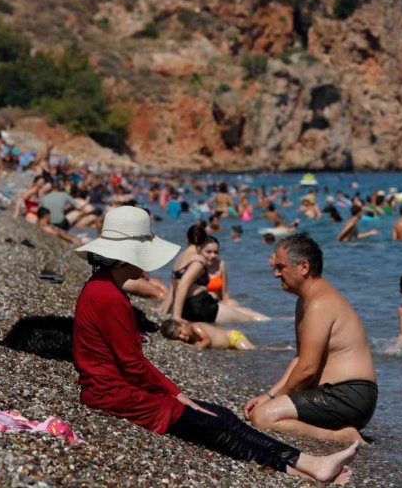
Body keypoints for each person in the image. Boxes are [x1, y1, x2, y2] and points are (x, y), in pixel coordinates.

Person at [72, 207, 358, 484]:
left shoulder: (103, 287)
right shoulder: (108, 296)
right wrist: (177, 395)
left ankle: (303, 464)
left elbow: (128, 364)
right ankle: (301, 467)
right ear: (127, 257)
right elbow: (133, 366)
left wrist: (177, 395)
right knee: (214, 424)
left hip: (116, 389)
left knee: (222, 415)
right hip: (112, 395)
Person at [244, 234, 377, 444]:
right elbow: (300, 359)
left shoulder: (320, 303)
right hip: (338, 395)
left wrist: (277, 401)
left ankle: (340, 436)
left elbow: (307, 369)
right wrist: (270, 396)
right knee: (265, 410)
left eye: (281, 267)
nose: (276, 274)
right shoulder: (305, 301)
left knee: (262, 417)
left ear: (304, 267)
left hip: (348, 396)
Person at [166, 228, 269, 323]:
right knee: (249, 319)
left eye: (216, 252)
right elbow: (181, 286)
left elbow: (174, 286)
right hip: (202, 306)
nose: (212, 255)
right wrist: (176, 316)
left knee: (247, 311)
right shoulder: (197, 262)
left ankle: (274, 321)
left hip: (206, 304)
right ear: (201, 247)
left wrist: (165, 312)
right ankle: (271, 323)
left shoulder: (185, 258)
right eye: (208, 252)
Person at [160, 319, 255, 350]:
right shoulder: (188, 339)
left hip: (233, 338)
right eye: (177, 338)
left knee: (250, 351)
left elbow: (207, 339)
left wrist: (196, 348)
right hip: (229, 347)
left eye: (180, 332)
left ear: (183, 324)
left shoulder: (195, 327)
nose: (181, 337)